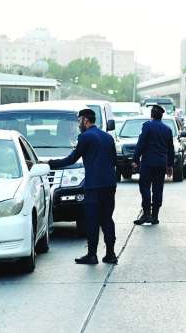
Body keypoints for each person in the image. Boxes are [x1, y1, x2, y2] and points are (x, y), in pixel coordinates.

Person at [48, 108, 118, 265]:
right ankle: (111, 254)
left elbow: (72, 159)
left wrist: (50, 164)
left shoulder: (85, 137)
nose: (78, 123)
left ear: (85, 120)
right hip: (109, 184)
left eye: (79, 120)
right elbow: (114, 160)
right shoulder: (108, 137)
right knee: (107, 219)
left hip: (93, 186)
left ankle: (92, 255)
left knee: (92, 220)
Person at [132, 105, 175, 225]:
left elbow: (141, 143)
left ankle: (146, 214)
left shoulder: (147, 126)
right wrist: (170, 165)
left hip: (148, 163)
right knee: (158, 188)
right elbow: (171, 149)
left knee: (144, 187)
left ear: (151, 115)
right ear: (161, 116)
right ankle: (155, 216)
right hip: (161, 164)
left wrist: (135, 159)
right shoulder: (167, 129)